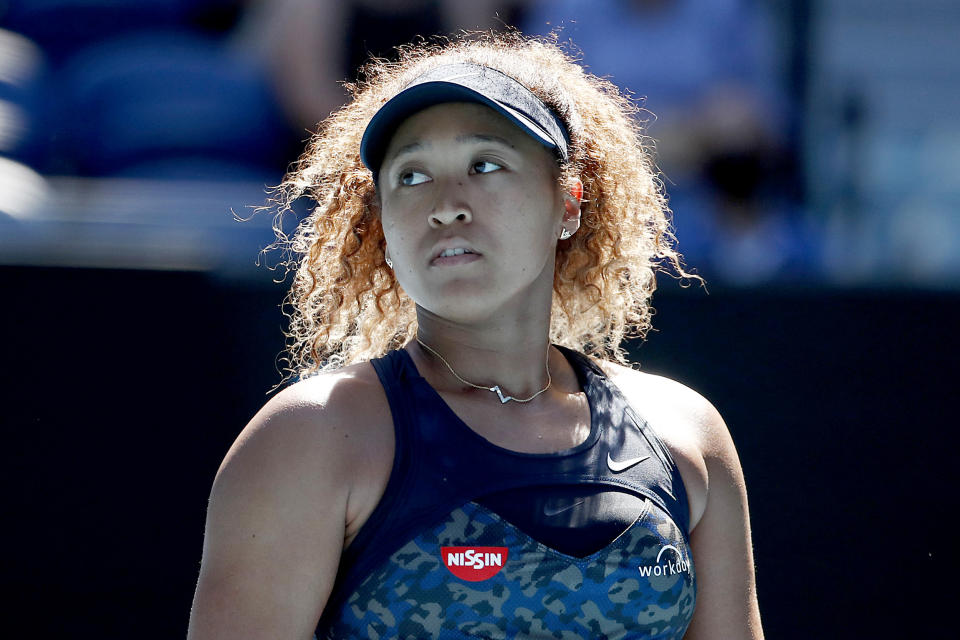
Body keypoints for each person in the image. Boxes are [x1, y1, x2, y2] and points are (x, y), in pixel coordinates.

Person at [187, 31, 763, 639]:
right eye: (411, 176)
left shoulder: (685, 435)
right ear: (380, 224)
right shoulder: (310, 437)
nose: (445, 206)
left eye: (484, 165)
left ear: (568, 203)